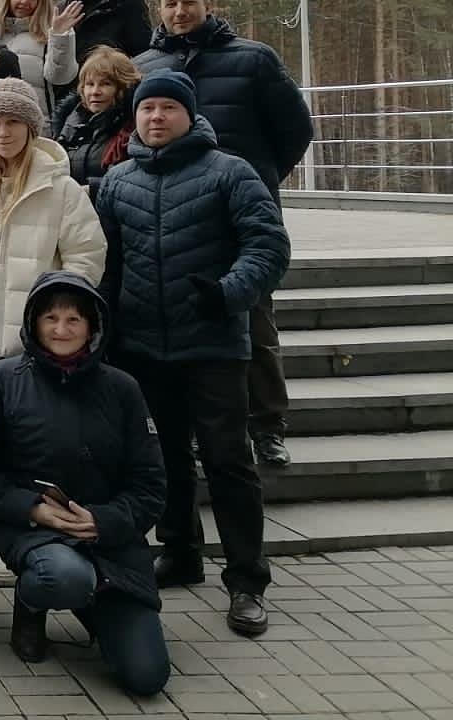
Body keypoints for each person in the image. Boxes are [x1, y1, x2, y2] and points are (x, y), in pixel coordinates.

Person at [95, 70, 290, 637]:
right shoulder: (117, 181)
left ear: (188, 114)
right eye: (146, 108)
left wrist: (229, 294)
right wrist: (103, 329)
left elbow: (268, 245)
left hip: (213, 344)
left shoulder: (231, 172)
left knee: (228, 461)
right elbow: (107, 265)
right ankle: (180, 551)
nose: (155, 117)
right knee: (167, 458)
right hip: (143, 346)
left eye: (167, 109)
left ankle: (247, 580)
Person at [0, 272, 171, 697]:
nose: (61, 330)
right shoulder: (3, 380)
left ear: (93, 326)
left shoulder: (123, 388)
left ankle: (98, 603)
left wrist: (104, 521)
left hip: (110, 541)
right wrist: (30, 508)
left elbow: (150, 484)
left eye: (74, 320)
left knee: (147, 676)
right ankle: (34, 601)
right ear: (33, 323)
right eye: (51, 318)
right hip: (33, 530)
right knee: (62, 575)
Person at [135, 0, 313, 467]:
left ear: (208, 5)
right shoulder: (143, 65)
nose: (179, 12)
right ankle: (190, 428)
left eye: (189, 2)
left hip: (238, 214)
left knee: (253, 319)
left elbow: (295, 129)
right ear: (159, 9)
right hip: (169, 214)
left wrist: (258, 178)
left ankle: (267, 424)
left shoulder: (252, 58)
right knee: (181, 322)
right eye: (170, 4)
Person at [0, 77, 106, 372]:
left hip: (28, 346)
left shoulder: (62, 190)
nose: (3, 132)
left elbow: (86, 257)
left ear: (30, 128)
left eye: (13, 121)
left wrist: (54, 315)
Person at [0, 0, 81, 116]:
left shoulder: (45, 36)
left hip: (35, 125)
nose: (24, 1)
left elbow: (60, 77)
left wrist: (60, 36)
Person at [53, 45, 142, 192]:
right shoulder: (68, 126)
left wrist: (93, 189)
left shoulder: (134, 128)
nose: (95, 92)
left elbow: (137, 182)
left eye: (105, 84)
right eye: (90, 84)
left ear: (123, 87)